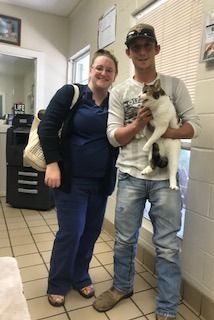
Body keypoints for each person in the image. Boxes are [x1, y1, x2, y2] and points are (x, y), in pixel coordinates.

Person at [93, 24, 201, 320]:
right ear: (128, 53)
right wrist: (139, 125)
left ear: (157, 49)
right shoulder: (119, 91)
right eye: (136, 47)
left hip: (165, 180)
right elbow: (113, 136)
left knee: (167, 246)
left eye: (147, 45)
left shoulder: (174, 85)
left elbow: (195, 126)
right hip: (129, 174)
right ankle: (121, 287)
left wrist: (168, 130)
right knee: (124, 240)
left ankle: (167, 308)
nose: (142, 52)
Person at [38, 49, 118, 307]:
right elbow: (47, 127)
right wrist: (52, 164)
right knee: (71, 231)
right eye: (99, 67)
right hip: (71, 180)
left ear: (114, 75)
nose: (103, 73)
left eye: (109, 69)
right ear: (90, 70)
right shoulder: (71, 93)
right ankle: (58, 282)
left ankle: (80, 276)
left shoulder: (115, 102)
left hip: (101, 182)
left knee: (91, 231)